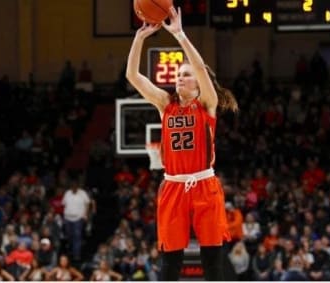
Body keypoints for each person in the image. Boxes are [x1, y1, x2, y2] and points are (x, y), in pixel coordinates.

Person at [126, 6, 238, 281]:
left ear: (199, 84)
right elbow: (132, 76)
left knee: (212, 262)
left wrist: (180, 36)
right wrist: (139, 38)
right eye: (179, 73)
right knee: (170, 264)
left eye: (186, 74)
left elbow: (199, 67)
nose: (180, 75)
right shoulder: (166, 105)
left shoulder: (207, 105)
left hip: (204, 185)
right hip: (174, 186)